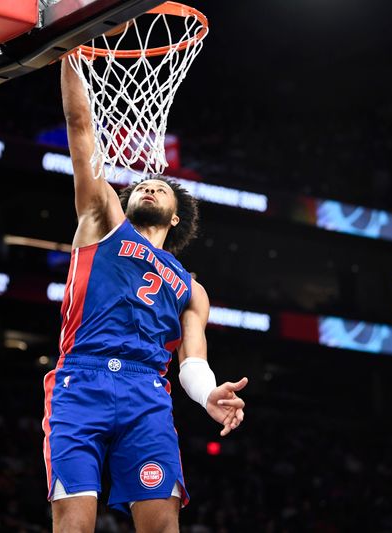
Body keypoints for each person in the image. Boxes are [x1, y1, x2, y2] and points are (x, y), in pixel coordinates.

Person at [42, 57, 249, 533]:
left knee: (161, 527)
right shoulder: (102, 219)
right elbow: (80, 126)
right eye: (144, 184)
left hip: (147, 393)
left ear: (176, 218)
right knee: (73, 523)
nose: (150, 186)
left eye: (161, 188)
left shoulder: (193, 289)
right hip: (82, 380)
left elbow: (192, 362)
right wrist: (71, 50)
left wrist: (207, 394)